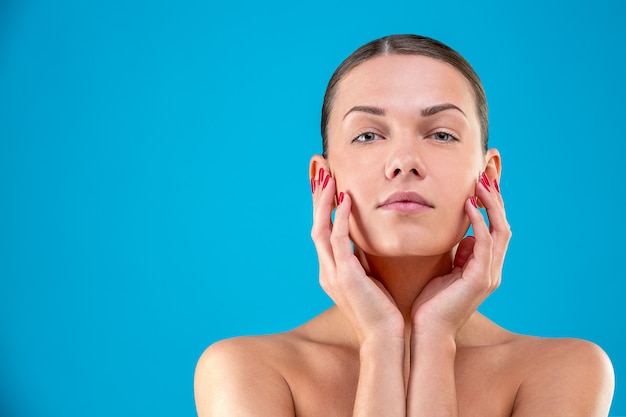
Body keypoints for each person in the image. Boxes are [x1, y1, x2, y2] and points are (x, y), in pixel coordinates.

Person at [194, 34, 615, 416]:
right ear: (322, 179)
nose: (404, 162)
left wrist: (434, 341)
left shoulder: (565, 370)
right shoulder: (244, 371)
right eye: (368, 135)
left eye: (442, 134)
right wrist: (380, 341)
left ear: (489, 176)